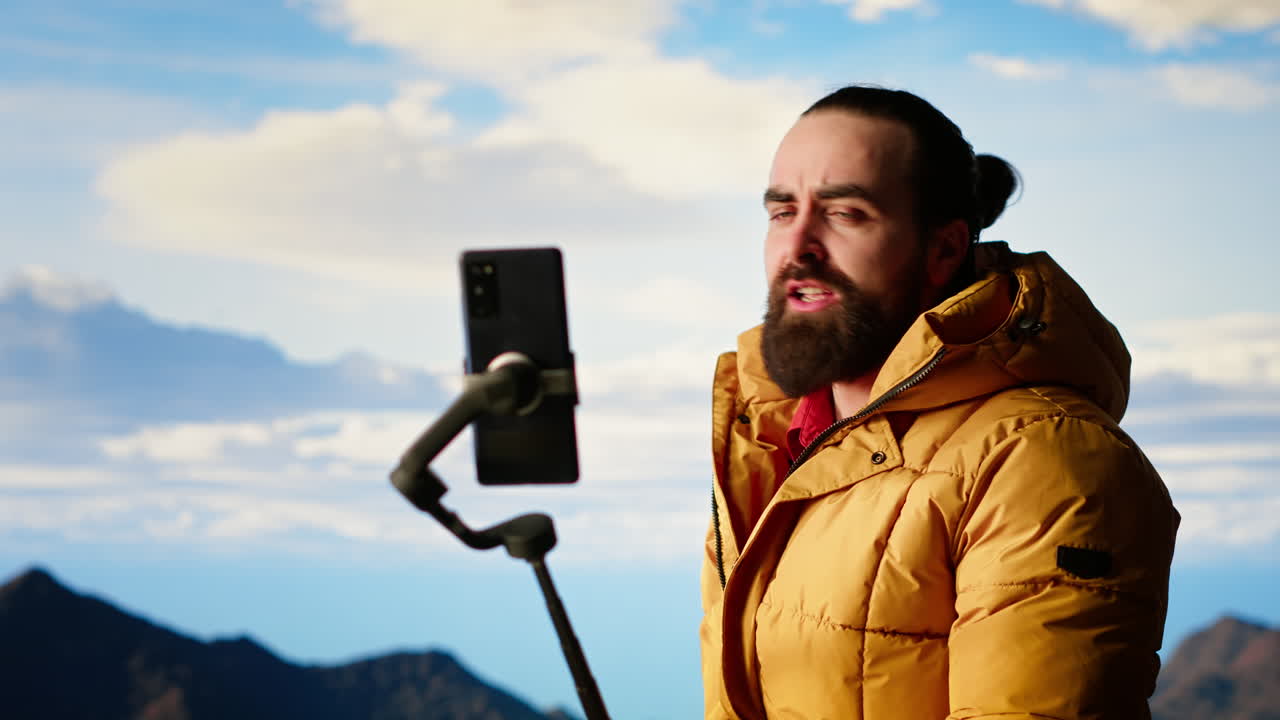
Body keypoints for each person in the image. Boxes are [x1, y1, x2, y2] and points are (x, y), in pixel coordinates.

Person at [699, 85, 1180, 720]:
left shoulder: (1042, 459)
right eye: (783, 212)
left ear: (944, 250)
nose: (799, 246)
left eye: (846, 214)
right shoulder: (773, 442)